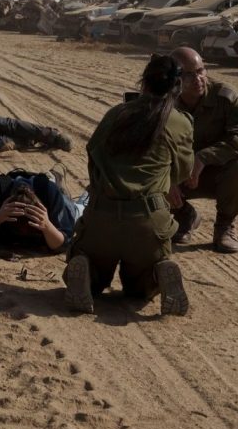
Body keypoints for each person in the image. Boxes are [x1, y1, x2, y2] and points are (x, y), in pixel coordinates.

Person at [62, 55, 195, 315]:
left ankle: (86, 269)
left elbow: (93, 157)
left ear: (143, 83)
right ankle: (158, 271)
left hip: (103, 217)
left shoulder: (117, 114)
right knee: (139, 289)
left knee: (96, 280)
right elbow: (184, 172)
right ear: (177, 87)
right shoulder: (180, 122)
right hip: (148, 222)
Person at [169, 47, 238, 253]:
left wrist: (203, 158)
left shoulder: (225, 96)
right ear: (174, 78)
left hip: (216, 174)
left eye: (201, 71)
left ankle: (224, 226)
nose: (198, 78)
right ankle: (185, 216)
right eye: (188, 74)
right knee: (147, 176)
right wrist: (166, 180)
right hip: (178, 174)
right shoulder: (165, 101)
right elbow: (150, 147)